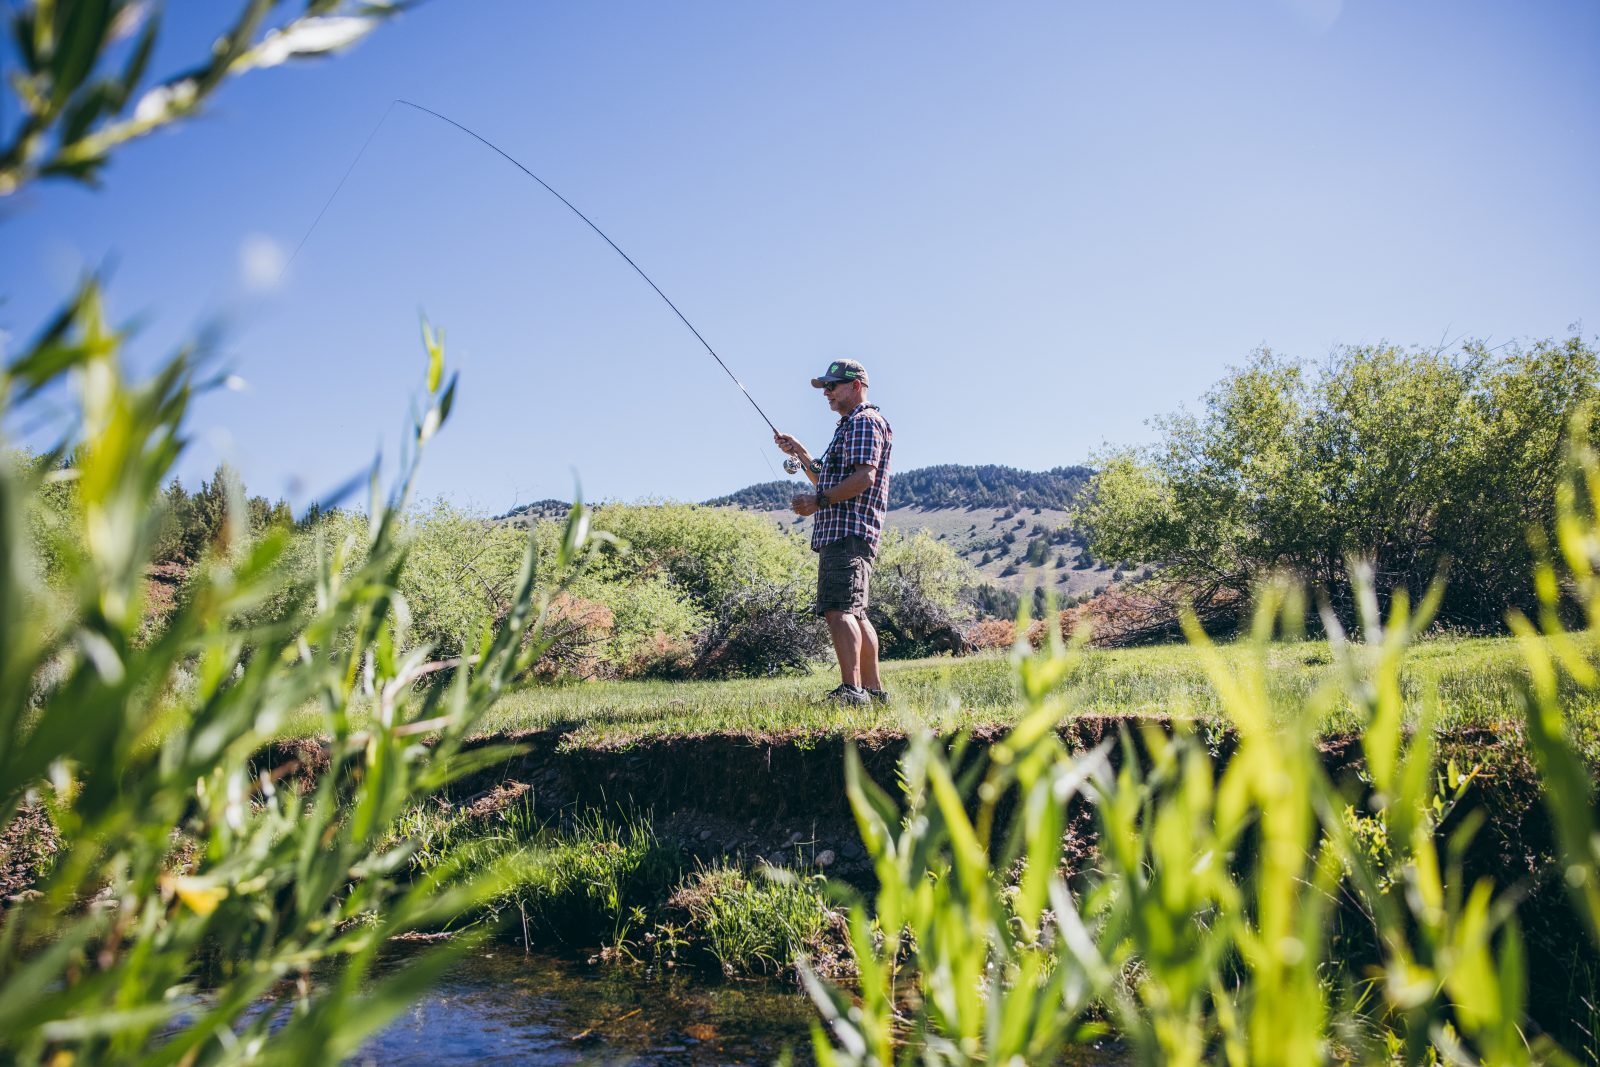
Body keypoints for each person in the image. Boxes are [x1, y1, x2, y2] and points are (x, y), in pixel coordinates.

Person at [773, 358, 894, 706]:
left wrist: (818, 501)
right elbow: (826, 476)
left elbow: (862, 478)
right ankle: (873, 692)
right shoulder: (850, 425)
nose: (826, 393)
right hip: (848, 531)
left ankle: (852, 692)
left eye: (832, 385)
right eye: (824, 387)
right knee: (855, 612)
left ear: (855, 386)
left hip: (847, 531)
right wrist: (800, 451)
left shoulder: (864, 422)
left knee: (838, 609)